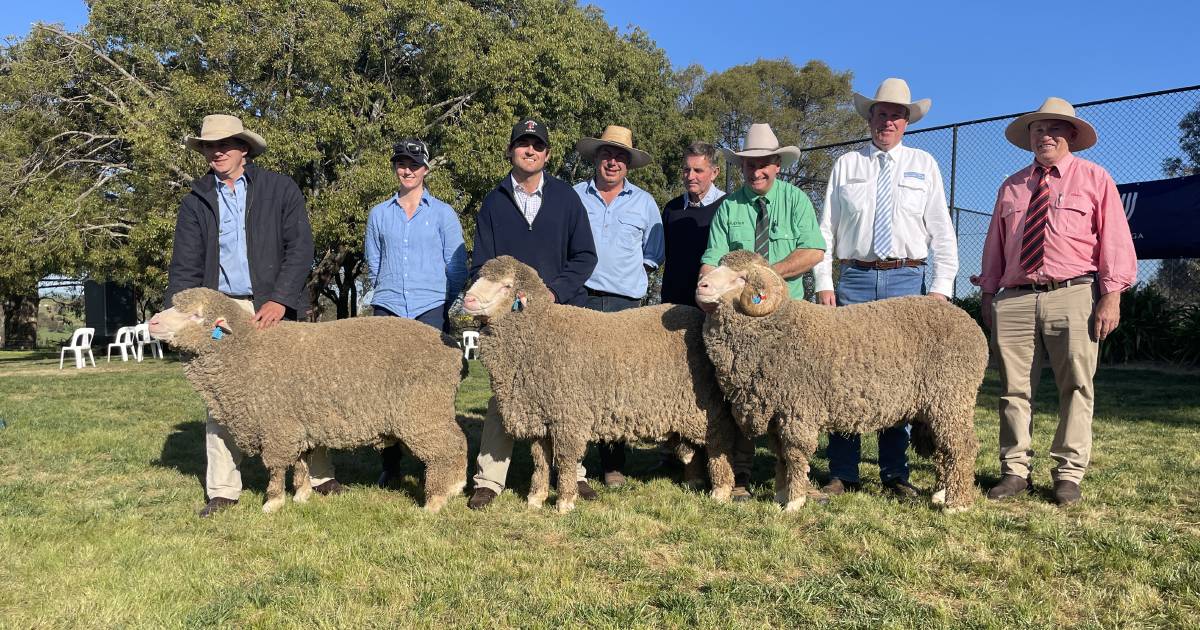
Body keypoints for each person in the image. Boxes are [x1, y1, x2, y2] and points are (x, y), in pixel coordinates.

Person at [166, 114, 345, 517]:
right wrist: (179, 316)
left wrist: (281, 299)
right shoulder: (196, 200)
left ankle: (319, 474)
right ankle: (224, 488)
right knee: (221, 398)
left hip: (274, 307)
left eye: (225, 144)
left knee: (302, 390)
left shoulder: (280, 189)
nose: (217, 152)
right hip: (219, 312)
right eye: (210, 146)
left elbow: (300, 249)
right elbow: (184, 267)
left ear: (243, 149)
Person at [976, 97, 1136, 506]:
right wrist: (988, 293)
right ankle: (1014, 470)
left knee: (1077, 385)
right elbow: (994, 244)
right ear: (1029, 136)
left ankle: (1068, 474)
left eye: (1054, 128)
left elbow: (1115, 242)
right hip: (1013, 299)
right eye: (1037, 129)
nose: (1045, 135)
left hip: (1074, 293)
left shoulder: (1096, 179)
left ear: (1071, 136)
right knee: (1012, 389)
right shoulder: (1011, 185)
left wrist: (1111, 296)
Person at [813, 78, 959, 498]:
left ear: (907, 121)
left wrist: (941, 289)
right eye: (881, 114)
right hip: (855, 278)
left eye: (897, 115)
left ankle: (895, 474)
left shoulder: (925, 165)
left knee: (900, 379)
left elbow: (942, 232)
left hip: (908, 280)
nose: (888, 121)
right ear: (870, 118)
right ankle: (843, 473)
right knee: (844, 377)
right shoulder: (846, 165)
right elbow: (826, 231)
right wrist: (825, 283)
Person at [466, 118, 599, 510]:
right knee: (503, 395)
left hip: (555, 317)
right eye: (523, 144)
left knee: (564, 396)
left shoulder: (566, 199)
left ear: (547, 154)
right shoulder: (493, 202)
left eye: (537, 145)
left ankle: (572, 473)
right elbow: (481, 267)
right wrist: (499, 301)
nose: (530, 151)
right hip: (507, 323)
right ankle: (489, 478)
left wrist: (554, 292)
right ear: (510, 151)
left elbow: (585, 256)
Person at [365, 138, 468, 487]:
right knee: (385, 389)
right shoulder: (379, 214)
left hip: (429, 311)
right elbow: (374, 264)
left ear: (425, 168)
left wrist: (440, 301)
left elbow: (456, 269)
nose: (406, 170)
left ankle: (436, 464)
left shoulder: (443, 214)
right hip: (389, 309)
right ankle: (390, 466)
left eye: (413, 164)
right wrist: (388, 292)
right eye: (400, 163)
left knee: (431, 391)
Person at [572, 125, 666, 488]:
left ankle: (612, 464)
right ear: (596, 158)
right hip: (583, 299)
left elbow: (654, 250)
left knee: (617, 384)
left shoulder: (644, 203)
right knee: (578, 381)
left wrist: (636, 274)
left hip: (627, 303)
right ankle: (573, 461)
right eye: (607, 155)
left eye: (620, 157)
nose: (613, 162)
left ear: (628, 165)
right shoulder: (574, 196)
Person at [699, 123, 825, 299]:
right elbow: (713, 259)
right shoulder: (728, 207)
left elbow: (814, 251)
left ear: (778, 166)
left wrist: (766, 275)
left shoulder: (796, 200)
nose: (757, 173)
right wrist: (705, 286)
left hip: (787, 305)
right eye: (750, 165)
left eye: (764, 165)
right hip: (740, 305)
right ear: (742, 166)